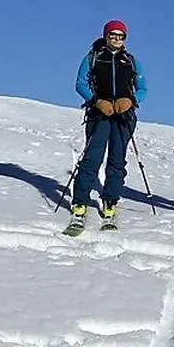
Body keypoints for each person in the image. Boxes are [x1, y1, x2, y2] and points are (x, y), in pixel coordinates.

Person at [72, 19, 147, 226]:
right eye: (112, 35)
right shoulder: (93, 57)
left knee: (117, 160)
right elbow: (80, 84)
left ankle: (110, 201)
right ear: (105, 36)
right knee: (92, 158)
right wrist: (96, 101)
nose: (116, 39)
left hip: (124, 116)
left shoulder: (130, 60)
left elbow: (143, 88)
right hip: (100, 114)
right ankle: (80, 202)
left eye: (120, 36)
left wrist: (131, 100)